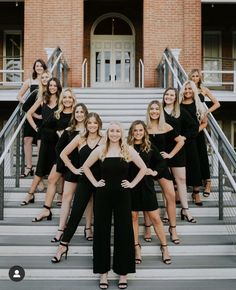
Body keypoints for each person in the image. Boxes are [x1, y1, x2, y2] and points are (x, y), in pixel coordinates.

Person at [82, 121, 147, 289]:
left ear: (122, 133)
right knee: (101, 231)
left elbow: (143, 168)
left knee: (124, 232)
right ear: (107, 132)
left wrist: (132, 184)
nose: (114, 134)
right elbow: (85, 167)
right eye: (112, 131)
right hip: (103, 195)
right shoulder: (100, 150)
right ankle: (103, 274)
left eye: (117, 131)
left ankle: (123, 274)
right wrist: (95, 183)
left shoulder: (128, 150)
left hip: (123, 196)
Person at [51, 113, 103, 263]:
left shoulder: (105, 138)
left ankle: (98, 252)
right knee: (75, 214)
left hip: (100, 182)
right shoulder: (80, 138)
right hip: (84, 181)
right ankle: (63, 246)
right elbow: (63, 154)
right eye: (90, 123)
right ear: (86, 124)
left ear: (99, 124)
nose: (92, 125)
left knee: (100, 217)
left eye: (95, 123)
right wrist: (74, 169)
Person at [127, 120, 171, 266]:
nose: (138, 133)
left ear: (144, 132)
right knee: (133, 217)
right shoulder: (126, 147)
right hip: (131, 187)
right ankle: (136, 247)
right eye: (135, 130)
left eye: (140, 130)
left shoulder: (150, 147)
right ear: (131, 132)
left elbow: (161, 162)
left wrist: (155, 171)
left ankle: (164, 247)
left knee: (155, 218)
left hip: (146, 186)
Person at [30, 89, 77, 221]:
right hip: (61, 155)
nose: (67, 100)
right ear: (62, 99)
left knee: (71, 186)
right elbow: (44, 127)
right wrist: (57, 133)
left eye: (70, 97)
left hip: (75, 156)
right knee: (51, 179)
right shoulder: (57, 114)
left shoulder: (77, 114)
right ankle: (46, 210)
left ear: (73, 99)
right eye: (65, 97)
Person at [146, 100, 184, 244]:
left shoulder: (166, 126)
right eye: (152, 109)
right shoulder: (144, 128)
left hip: (162, 165)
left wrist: (170, 154)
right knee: (148, 197)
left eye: (157, 109)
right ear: (148, 111)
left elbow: (180, 141)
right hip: (147, 166)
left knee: (171, 195)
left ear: (160, 111)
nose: (154, 111)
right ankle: (148, 227)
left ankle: (173, 229)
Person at [20, 77, 62, 206]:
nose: (52, 87)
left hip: (57, 139)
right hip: (44, 137)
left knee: (58, 167)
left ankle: (60, 196)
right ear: (48, 87)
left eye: (55, 85)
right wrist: (37, 128)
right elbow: (29, 113)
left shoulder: (61, 101)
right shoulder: (43, 99)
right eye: (51, 85)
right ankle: (30, 194)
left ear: (58, 87)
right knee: (40, 168)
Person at [162, 87, 197, 223]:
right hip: (163, 151)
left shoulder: (181, 111)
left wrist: (183, 137)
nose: (169, 97)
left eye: (172, 95)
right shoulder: (158, 111)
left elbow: (194, 127)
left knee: (181, 180)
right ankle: (167, 210)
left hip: (178, 150)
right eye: (167, 94)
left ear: (176, 98)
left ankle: (185, 209)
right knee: (167, 183)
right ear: (164, 96)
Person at [189, 68, 220, 197]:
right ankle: (194, 182)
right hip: (189, 125)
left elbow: (217, 103)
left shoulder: (203, 90)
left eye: (197, 76)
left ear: (199, 78)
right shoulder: (187, 89)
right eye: (193, 76)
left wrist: (206, 111)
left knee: (202, 153)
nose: (195, 78)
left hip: (200, 125)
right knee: (192, 155)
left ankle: (207, 182)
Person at [179, 80, 208, 206]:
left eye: (190, 89)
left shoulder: (199, 104)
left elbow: (204, 123)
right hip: (181, 138)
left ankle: (196, 192)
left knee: (196, 163)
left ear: (194, 90)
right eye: (185, 89)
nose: (187, 91)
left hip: (196, 137)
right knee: (182, 163)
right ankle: (179, 190)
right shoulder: (178, 105)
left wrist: (193, 133)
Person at [17, 59, 47, 177]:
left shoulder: (47, 80)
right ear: (34, 68)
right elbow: (18, 96)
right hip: (31, 114)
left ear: (44, 68)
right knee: (27, 140)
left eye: (41, 66)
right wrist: (27, 104)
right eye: (36, 66)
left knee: (41, 142)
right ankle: (29, 167)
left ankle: (41, 168)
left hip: (44, 115)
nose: (38, 67)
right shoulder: (30, 81)